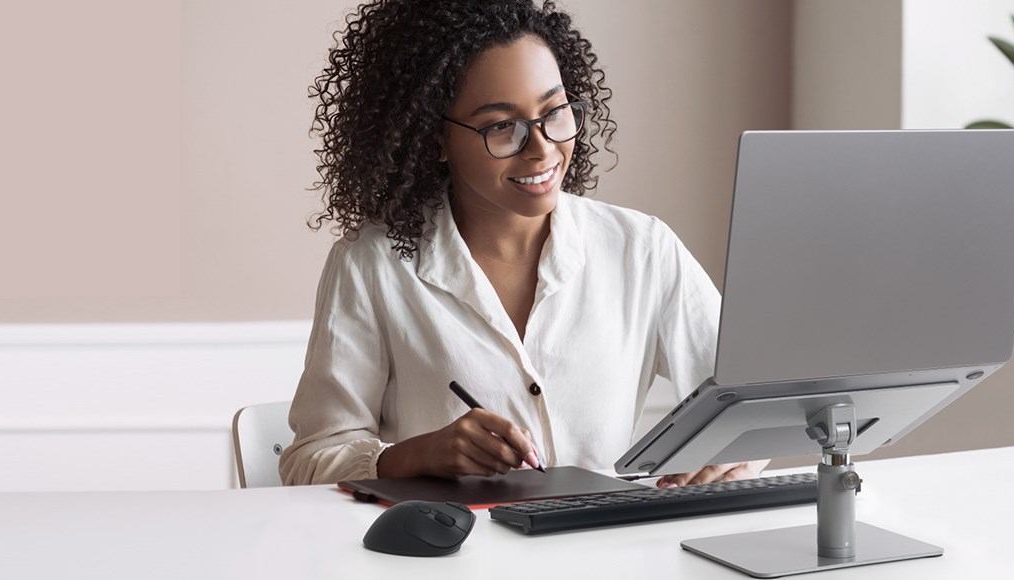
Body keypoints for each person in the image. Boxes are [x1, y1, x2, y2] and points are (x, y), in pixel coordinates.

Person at [279, 0, 767, 488]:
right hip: (453, 559)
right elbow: (309, 462)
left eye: (554, 112)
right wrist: (419, 454)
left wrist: (734, 456)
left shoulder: (641, 249)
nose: (542, 148)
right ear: (435, 138)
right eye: (501, 126)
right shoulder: (372, 267)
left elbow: (756, 403)